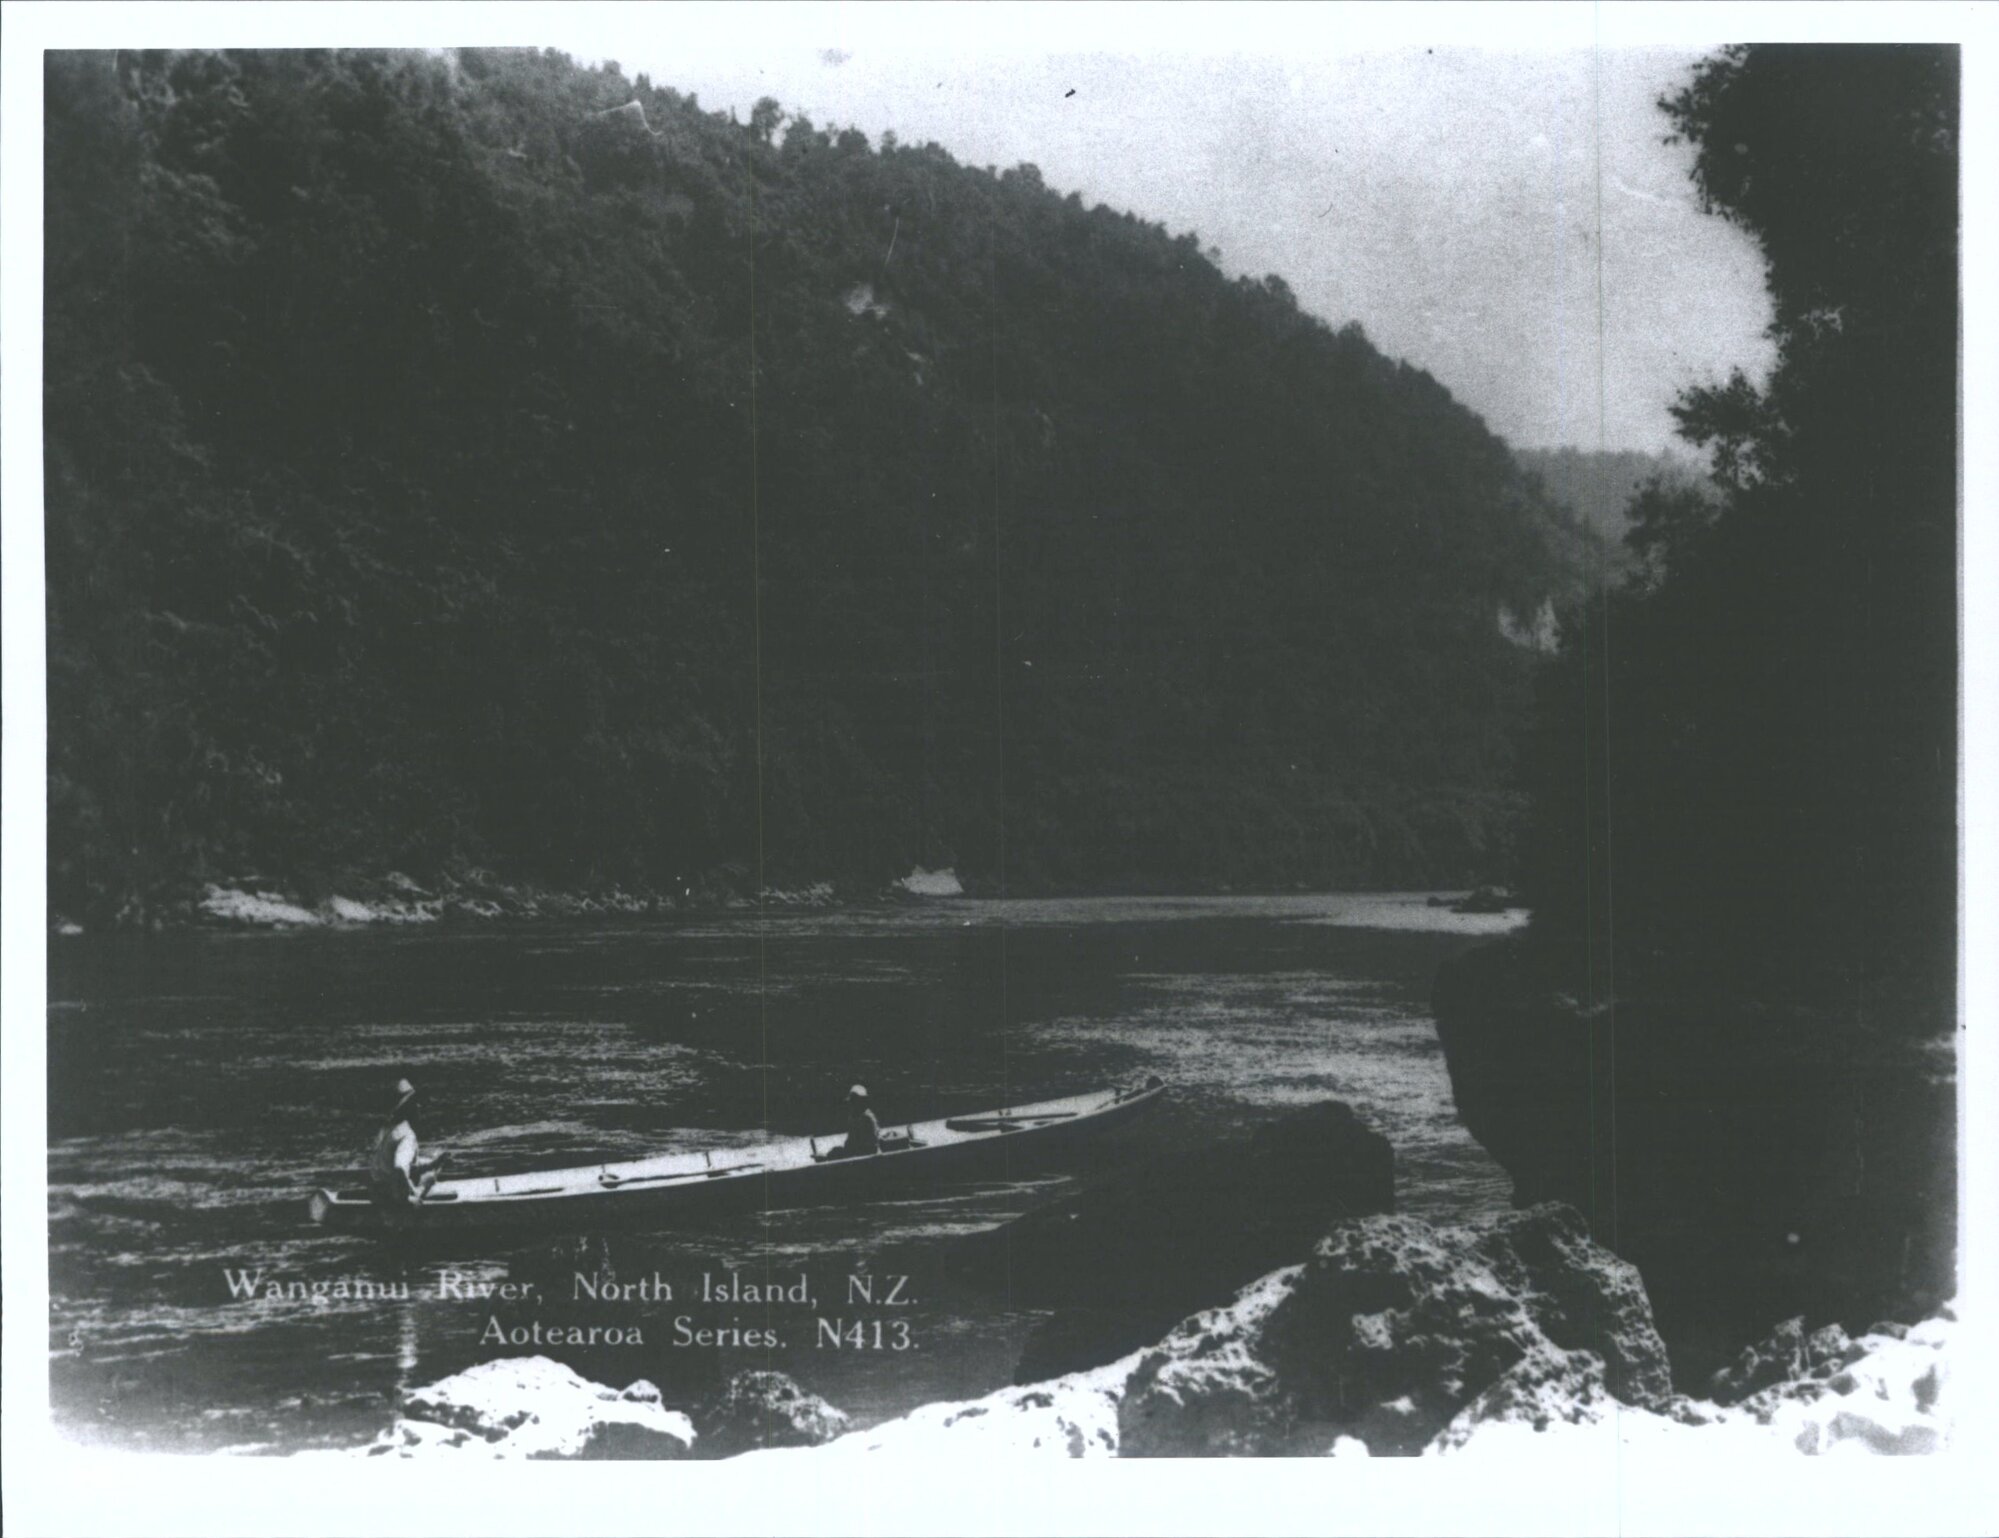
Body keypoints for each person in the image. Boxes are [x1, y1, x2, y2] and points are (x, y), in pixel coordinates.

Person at [368, 1077, 442, 1208]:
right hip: (394, 1197)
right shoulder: (407, 1135)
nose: (419, 1106)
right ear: (408, 1108)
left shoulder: (384, 1130)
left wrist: (433, 1163)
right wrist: (408, 1199)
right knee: (430, 1178)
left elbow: (398, 1165)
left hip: (378, 1192)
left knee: (429, 1173)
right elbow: (400, 1167)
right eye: (415, 1103)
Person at [838, 1084, 880, 1158]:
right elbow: (850, 1140)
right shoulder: (852, 1117)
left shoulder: (867, 1118)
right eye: (852, 1101)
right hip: (856, 1154)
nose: (852, 1104)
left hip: (866, 1156)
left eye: (855, 1101)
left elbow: (871, 1144)